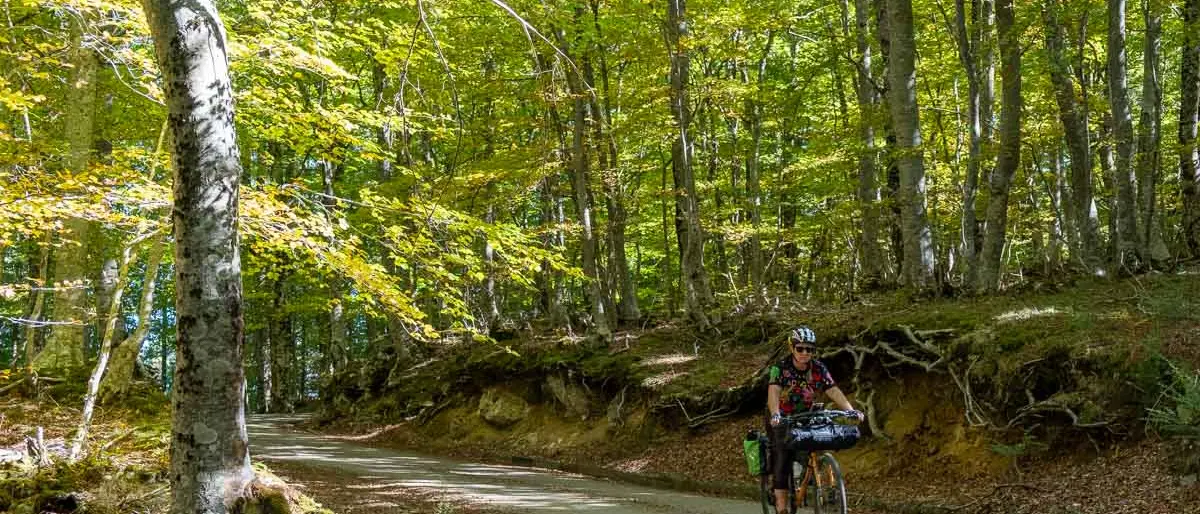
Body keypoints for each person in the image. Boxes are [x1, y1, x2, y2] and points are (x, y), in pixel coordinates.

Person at [766, 326, 862, 514]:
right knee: (782, 457)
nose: (804, 353)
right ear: (792, 348)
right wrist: (776, 413)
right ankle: (781, 507)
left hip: (806, 415)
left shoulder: (818, 368)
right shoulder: (780, 367)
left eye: (809, 349)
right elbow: (774, 391)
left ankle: (812, 476)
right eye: (800, 348)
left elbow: (832, 390)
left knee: (817, 441)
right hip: (781, 417)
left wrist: (850, 410)